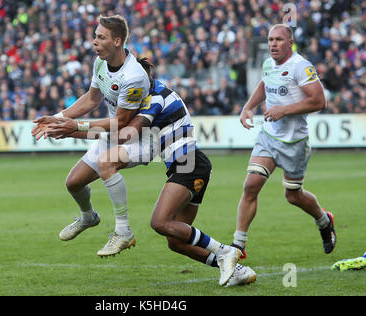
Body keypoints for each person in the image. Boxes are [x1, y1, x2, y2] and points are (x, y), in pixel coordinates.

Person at [43, 61, 250, 287]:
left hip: (189, 165)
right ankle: (236, 270)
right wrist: (70, 130)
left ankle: (225, 251)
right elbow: (115, 134)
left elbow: (125, 134)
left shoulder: (155, 97)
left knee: (160, 222)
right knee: (175, 241)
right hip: (185, 166)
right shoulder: (145, 97)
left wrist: (75, 127)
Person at [31, 15, 151, 257]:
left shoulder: (134, 76)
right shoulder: (100, 63)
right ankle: (88, 217)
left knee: (107, 163)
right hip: (111, 134)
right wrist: (58, 118)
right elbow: (92, 99)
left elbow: (123, 122)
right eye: (95, 36)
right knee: (73, 183)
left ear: (117, 41)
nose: (94, 41)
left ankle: (123, 232)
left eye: (100, 37)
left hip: (141, 137)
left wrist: (75, 126)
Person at [230, 24, 336, 259]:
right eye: (270, 40)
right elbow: (264, 84)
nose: (273, 44)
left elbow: (319, 101)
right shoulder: (268, 64)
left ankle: (323, 220)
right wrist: (248, 107)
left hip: (294, 142)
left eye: (278, 39)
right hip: (268, 136)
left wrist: (284, 110)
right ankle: (238, 246)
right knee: (251, 185)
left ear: (290, 43)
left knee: (293, 195)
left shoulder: (301, 66)